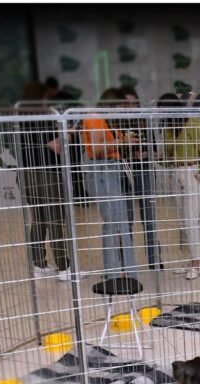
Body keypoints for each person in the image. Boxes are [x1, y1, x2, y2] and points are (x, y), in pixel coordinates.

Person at [81, 87, 137, 283]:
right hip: (102, 173)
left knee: (118, 221)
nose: (121, 111)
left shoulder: (103, 120)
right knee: (113, 222)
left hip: (109, 172)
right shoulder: (94, 118)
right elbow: (96, 150)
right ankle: (113, 272)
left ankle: (123, 270)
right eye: (120, 107)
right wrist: (122, 143)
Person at [17, 81, 72, 281]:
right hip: (46, 174)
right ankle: (64, 267)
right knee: (55, 218)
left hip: (26, 174)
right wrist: (69, 133)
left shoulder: (21, 117)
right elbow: (56, 146)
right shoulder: (44, 118)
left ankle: (39, 263)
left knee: (38, 219)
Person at [158, 92, 200, 281]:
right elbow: (168, 154)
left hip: (192, 171)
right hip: (176, 172)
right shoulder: (170, 128)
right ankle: (191, 261)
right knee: (183, 220)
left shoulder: (194, 123)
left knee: (191, 220)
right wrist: (163, 160)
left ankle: (196, 263)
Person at [118, 85, 163, 271]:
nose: (131, 107)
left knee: (149, 219)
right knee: (125, 220)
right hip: (123, 174)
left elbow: (154, 149)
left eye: (133, 103)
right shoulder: (115, 124)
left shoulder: (144, 122)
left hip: (144, 172)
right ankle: (126, 263)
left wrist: (148, 154)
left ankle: (154, 259)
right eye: (126, 104)